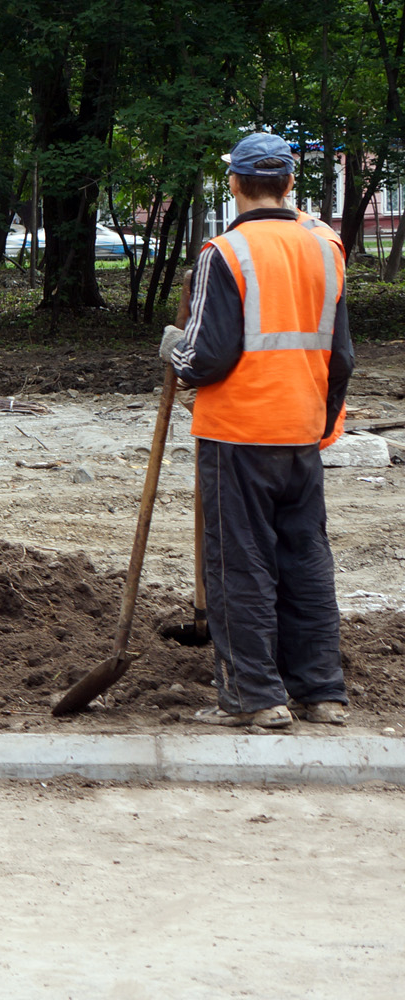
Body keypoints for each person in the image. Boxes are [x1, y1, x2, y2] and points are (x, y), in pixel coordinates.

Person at [160, 132, 354, 729]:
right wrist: (321, 424)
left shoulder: (225, 252)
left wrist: (175, 354)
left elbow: (209, 357)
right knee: (305, 559)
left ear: (236, 184)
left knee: (239, 564)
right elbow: (341, 357)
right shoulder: (326, 247)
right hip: (300, 432)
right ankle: (321, 692)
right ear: (290, 183)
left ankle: (254, 698)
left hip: (238, 435)